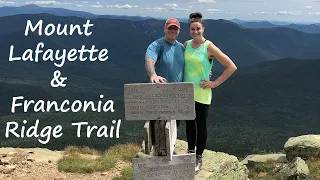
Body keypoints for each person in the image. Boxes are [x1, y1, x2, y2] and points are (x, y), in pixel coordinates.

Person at [183, 12, 237, 172]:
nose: (195, 32)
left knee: (201, 126)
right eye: (192, 29)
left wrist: (214, 83)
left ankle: (198, 156)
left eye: (198, 28)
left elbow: (231, 66)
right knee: (189, 125)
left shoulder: (209, 47)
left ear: (203, 28)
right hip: (186, 92)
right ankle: (190, 151)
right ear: (189, 30)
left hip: (202, 92)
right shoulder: (186, 45)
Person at [144, 18, 185, 128]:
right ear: (164, 29)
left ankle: (172, 145)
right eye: (170, 28)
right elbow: (149, 60)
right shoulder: (156, 45)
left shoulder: (181, 47)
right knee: (156, 126)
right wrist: (153, 74)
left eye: (175, 28)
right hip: (158, 94)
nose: (172, 30)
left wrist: (205, 73)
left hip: (177, 95)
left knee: (174, 126)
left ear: (179, 30)